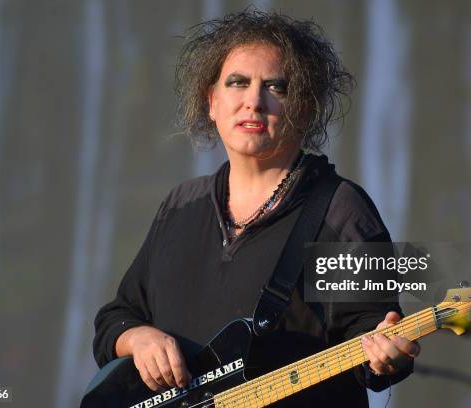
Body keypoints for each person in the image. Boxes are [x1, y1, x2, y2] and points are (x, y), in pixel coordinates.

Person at [93, 9, 420, 407]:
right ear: (212, 102)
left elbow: (374, 335)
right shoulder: (180, 205)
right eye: (238, 83)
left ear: (302, 109)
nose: (253, 101)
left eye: (276, 87)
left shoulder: (343, 209)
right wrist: (138, 337)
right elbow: (117, 317)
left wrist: (386, 357)